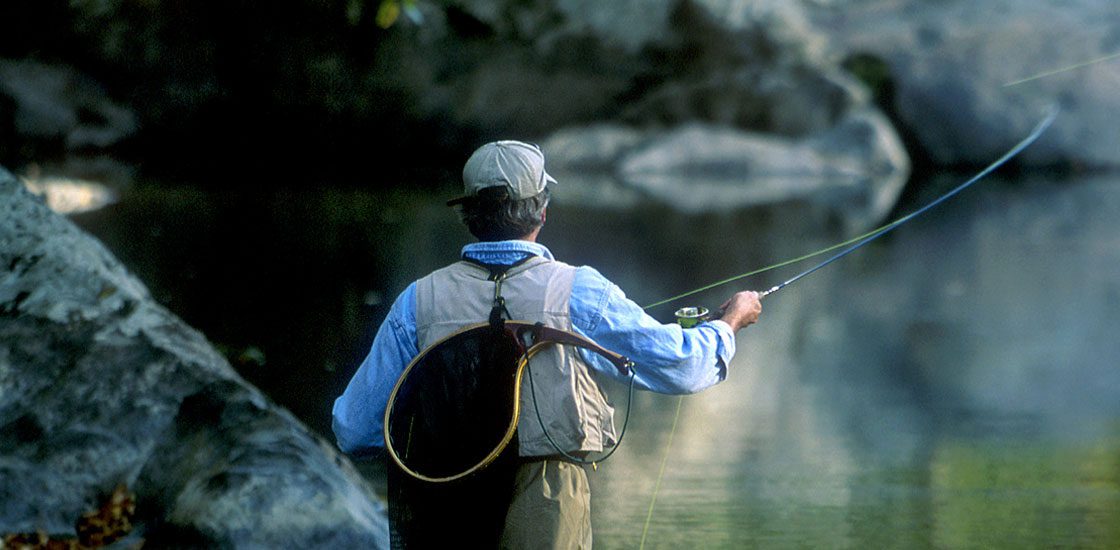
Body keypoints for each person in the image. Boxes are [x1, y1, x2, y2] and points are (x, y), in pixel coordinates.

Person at [332, 140, 763, 549]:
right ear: (542, 210)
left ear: (468, 214)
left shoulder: (417, 301)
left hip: (443, 503)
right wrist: (729, 323)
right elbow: (682, 366)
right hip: (547, 496)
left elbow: (355, 430)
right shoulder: (578, 290)